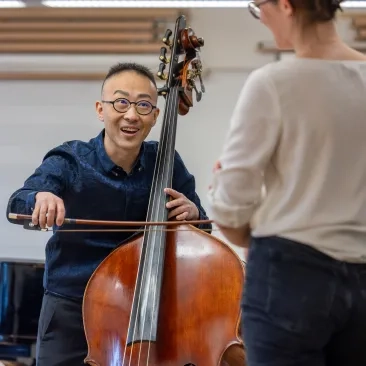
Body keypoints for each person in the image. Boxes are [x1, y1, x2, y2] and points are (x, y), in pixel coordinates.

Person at [6, 62, 212, 366]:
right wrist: (41, 197)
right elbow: (18, 204)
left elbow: (204, 230)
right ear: (101, 110)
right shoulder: (70, 160)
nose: (131, 115)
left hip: (143, 310)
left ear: (155, 116)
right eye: (121, 102)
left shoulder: (167, 165)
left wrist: (193, 215)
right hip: (72, 311)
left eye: (143, 105)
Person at [207, 0, 366, 365]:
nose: (259, 16)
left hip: (289, 277)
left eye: (258, 6)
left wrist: (259, 224)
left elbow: (230, 212)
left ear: (285, 5)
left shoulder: (273, 82)